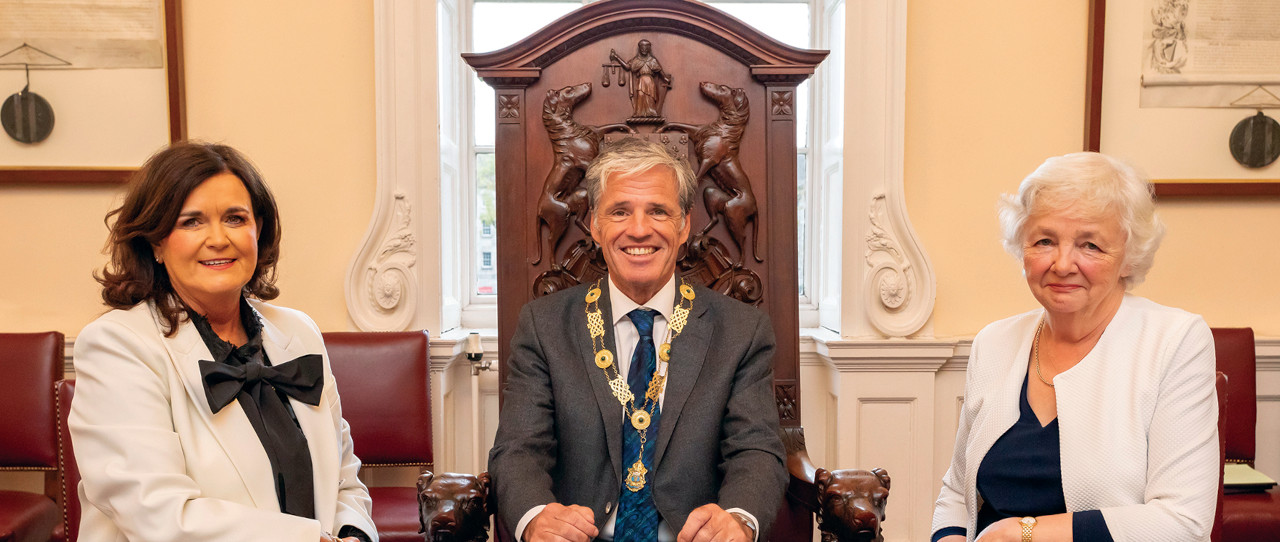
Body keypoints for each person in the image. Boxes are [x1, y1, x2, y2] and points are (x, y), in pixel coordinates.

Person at [70, 142, 376, 542]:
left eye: (235, 218)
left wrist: (355, 534)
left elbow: (343, 477)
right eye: (191, 222)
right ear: (156, 242)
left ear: (258, 229)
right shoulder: (115, 345)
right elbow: (159, 513)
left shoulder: (300, 333)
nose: (218, 238)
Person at [488, 138, 787, 542]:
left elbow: (756, 451)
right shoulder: (544, 326)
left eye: (658, 211)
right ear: (594, 225)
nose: (639, 229)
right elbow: (518, 449)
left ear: (684, 227)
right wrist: (537, 517)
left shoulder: (741, 331)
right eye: (620, 211)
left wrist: (737, 519)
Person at [931, 152, 1218, 542]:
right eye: (1045, 241)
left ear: (1128, 258)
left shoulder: (1175, 340)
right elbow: (955, 492)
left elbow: (1182, 522)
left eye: (1090, 246)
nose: (1063, 264)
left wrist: (1023, 532)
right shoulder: (994, 343)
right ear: (1021, 248)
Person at [611, 40, 671, 119]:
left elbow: (660, 71)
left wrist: (665, 78)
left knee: (650, 97)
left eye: (646, 47)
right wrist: (616, 57)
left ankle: (652, 112)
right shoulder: (636, 60)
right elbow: (627, 67)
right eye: (642, 47)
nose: (644, 49)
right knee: (641, 95)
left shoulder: (652, 60)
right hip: (641, 81)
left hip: (649, 81)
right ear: (640, 48)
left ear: (649, 49)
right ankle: (640, 113)